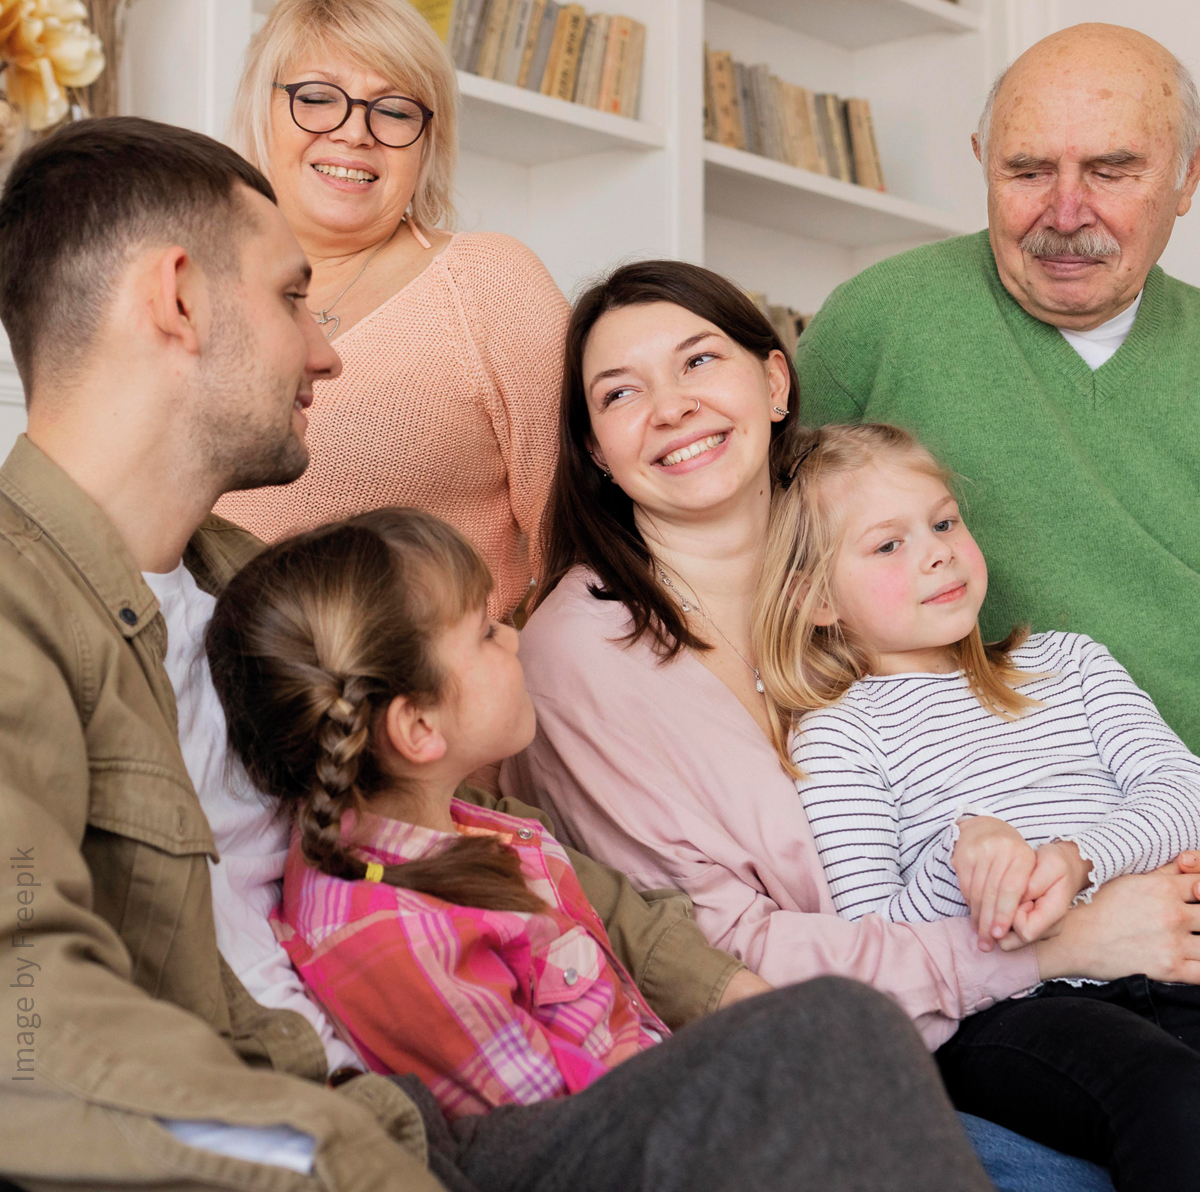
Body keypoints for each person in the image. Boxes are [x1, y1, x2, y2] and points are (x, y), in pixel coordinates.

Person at [0, 117, 993, 1192]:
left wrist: (733, 1002)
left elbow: (497, 842)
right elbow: (26, 1036)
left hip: (453, 1113)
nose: (328, 349)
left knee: (831, 1042)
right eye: (296, 297)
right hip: (340, 1146)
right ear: (181, 299)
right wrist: (359, 1166)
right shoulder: (22, 611)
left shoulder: (251, 588)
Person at [503, 258, 1200, 1190]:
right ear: (594, 448)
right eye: (622, 392)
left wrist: (1089, 868)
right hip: (853, 1047)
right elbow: (716, 961)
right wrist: (1056, 941)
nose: (670, 407)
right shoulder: (579, 661)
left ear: (776, 379)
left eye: (699, 362)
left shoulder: (885, 590)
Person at [760, 419, 1200, 1190]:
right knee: (1169, 1097)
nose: (936, 550)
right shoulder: (838, 736)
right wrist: (964, 855)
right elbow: (875, 942)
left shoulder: (1069, 661)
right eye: (887, 544)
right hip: (1015, 1011)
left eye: (942, 522)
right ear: (817, 597)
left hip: (1169, 953)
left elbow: (1183, 788)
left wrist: (1074, 859)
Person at [795, 22, 1200, 749]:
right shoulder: (876, 318)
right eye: (1027, 171)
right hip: (959, 803)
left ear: (1187, 178)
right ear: (983, 163)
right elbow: (770, 575)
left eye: (1112, 172)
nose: (1067, 212)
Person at [208, 507, 673, 1115]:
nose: (512, 635)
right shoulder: (405, 942)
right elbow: (579, 1129)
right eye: (485, 631)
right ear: (419, 726)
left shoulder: (459, 828)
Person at [218, 0, 568, 620]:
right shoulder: (203, 287)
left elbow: (580, 554)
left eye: (396, 110)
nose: (356, 132)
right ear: (259, 110)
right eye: (318, 98)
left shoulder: (491, 284)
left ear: (429, 140)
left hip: (424, 707)